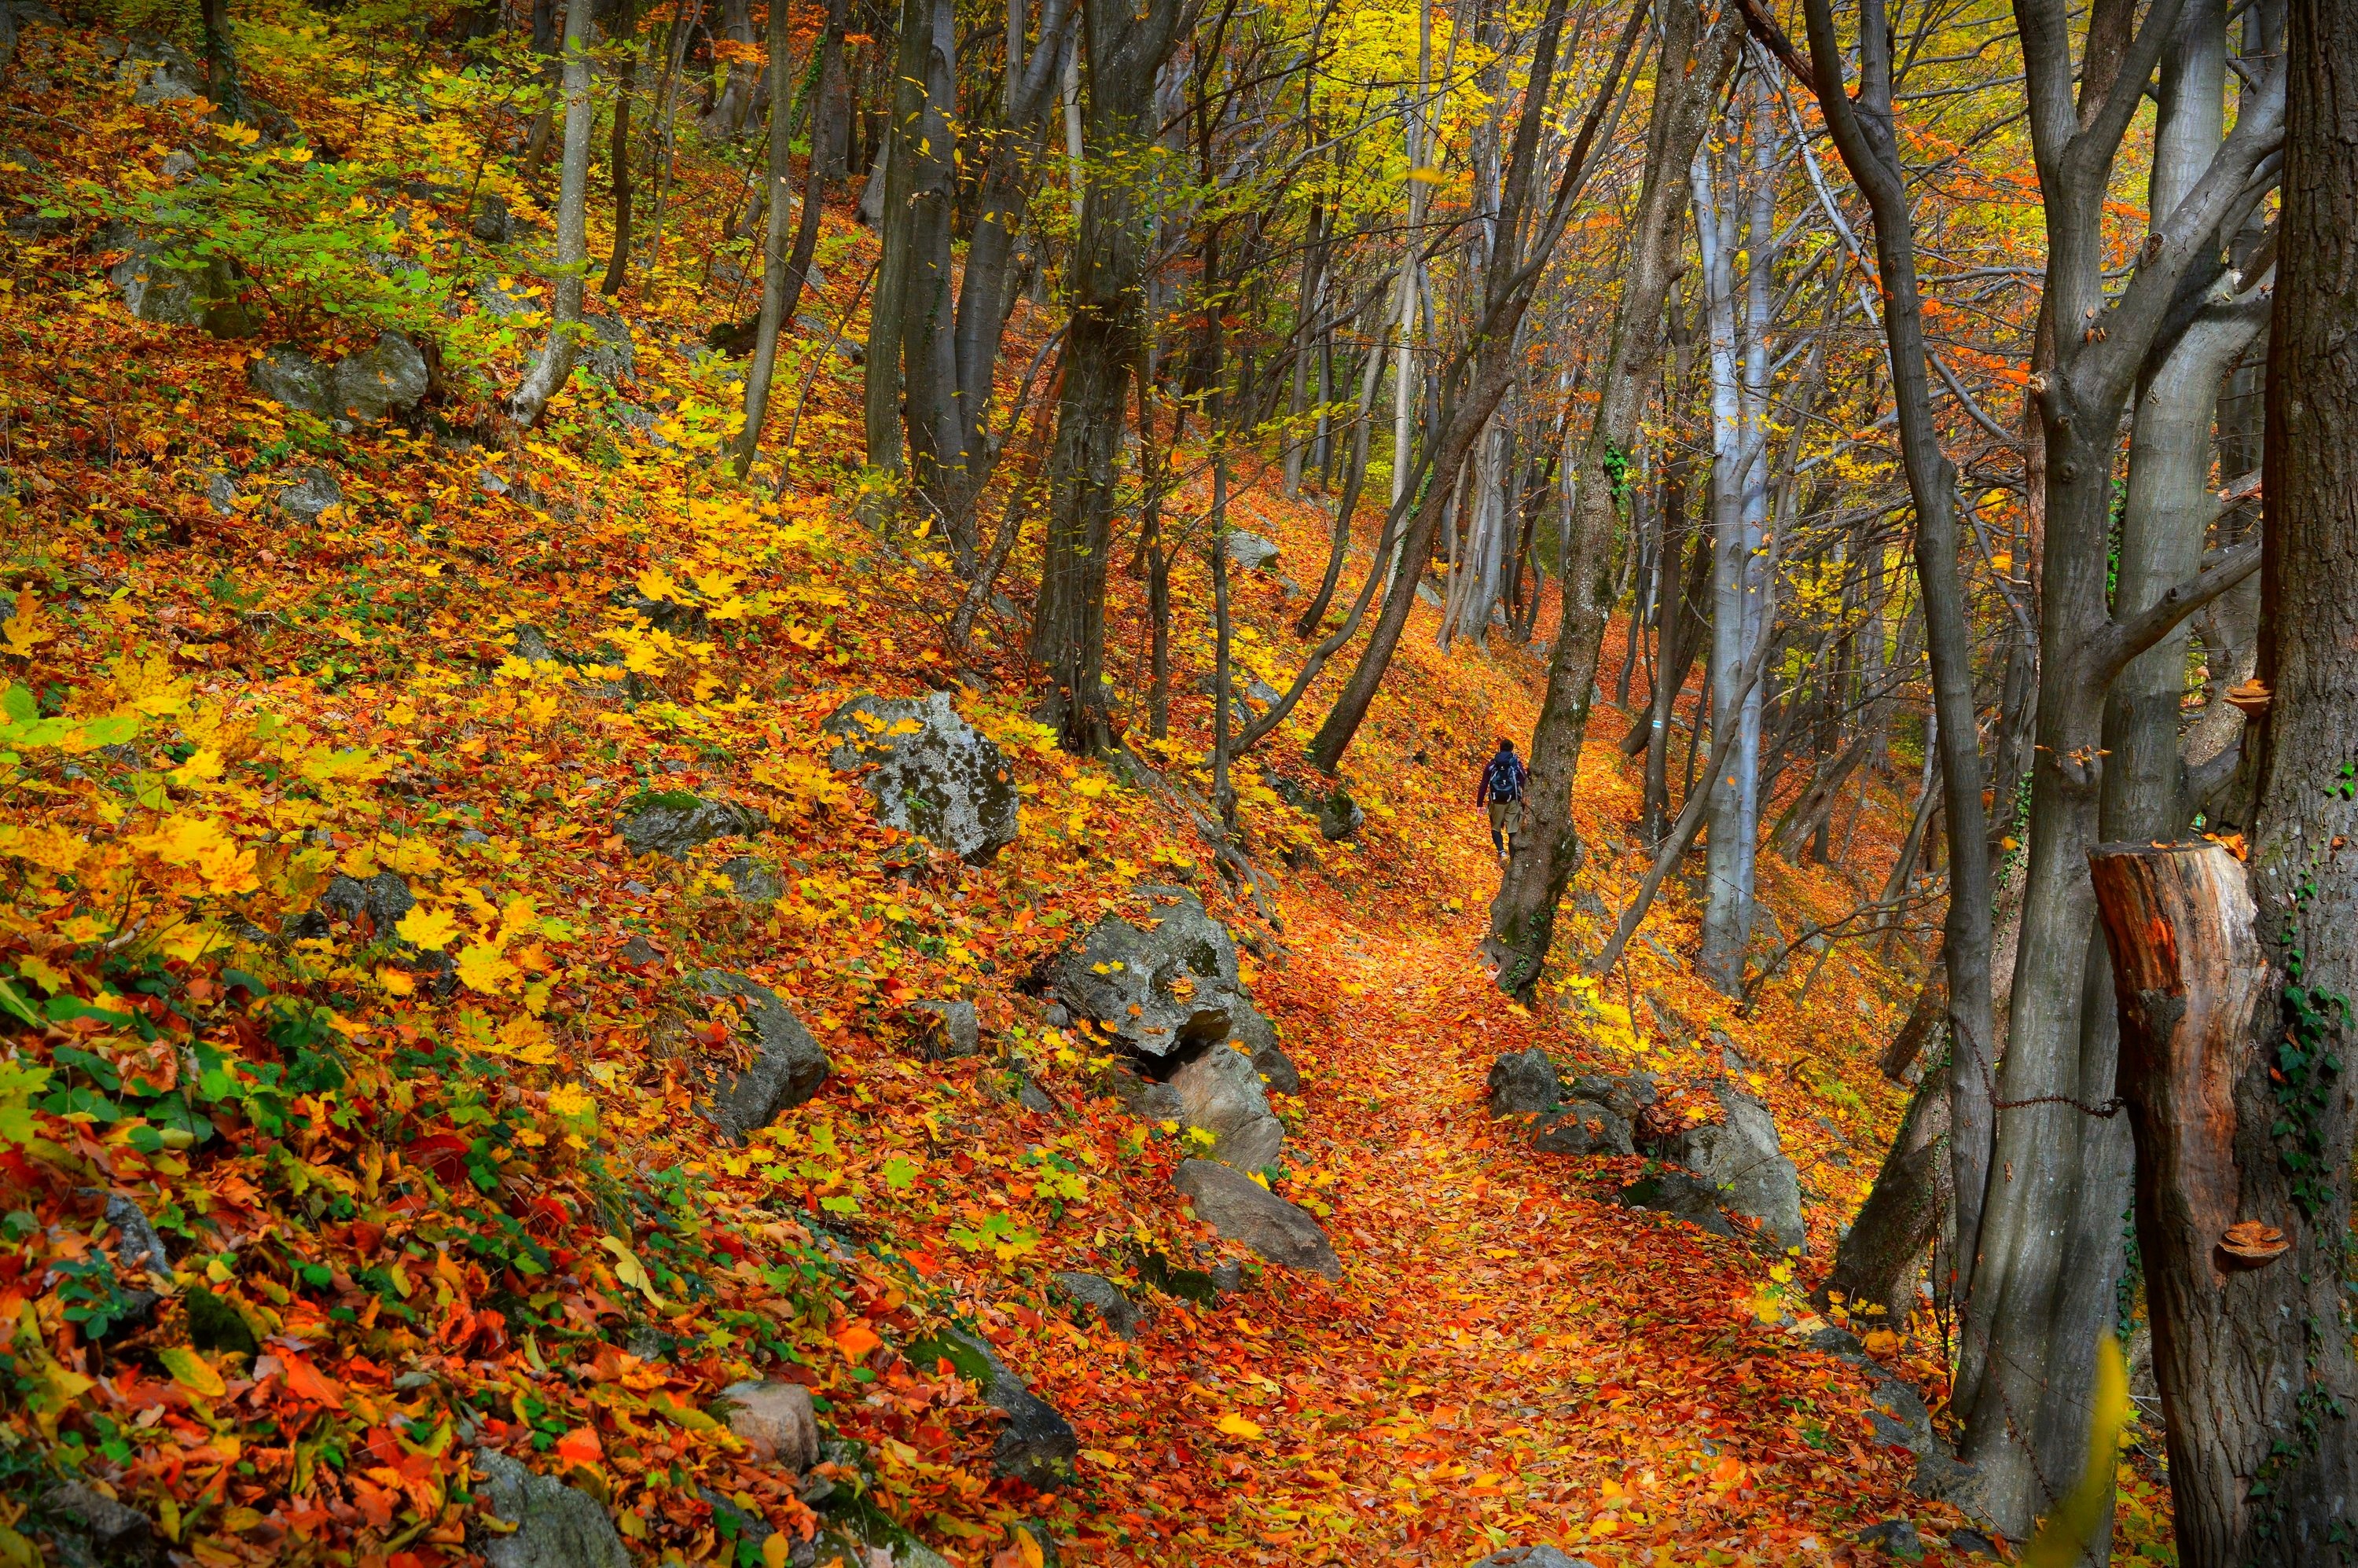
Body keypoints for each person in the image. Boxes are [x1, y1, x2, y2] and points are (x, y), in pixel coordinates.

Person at [1477, 738, 1527, 861]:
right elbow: (1524, 782)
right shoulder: (1516, 764)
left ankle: (1502, 853)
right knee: (1513, 830)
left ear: (1500, 749)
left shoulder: (1492, 764)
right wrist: (1526, 801)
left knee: (1496, 827)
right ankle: (1513, 859)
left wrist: (1479, 804)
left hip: (1496, 801)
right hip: (1513, 801)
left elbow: (1484, 784)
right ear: (1512, 749)